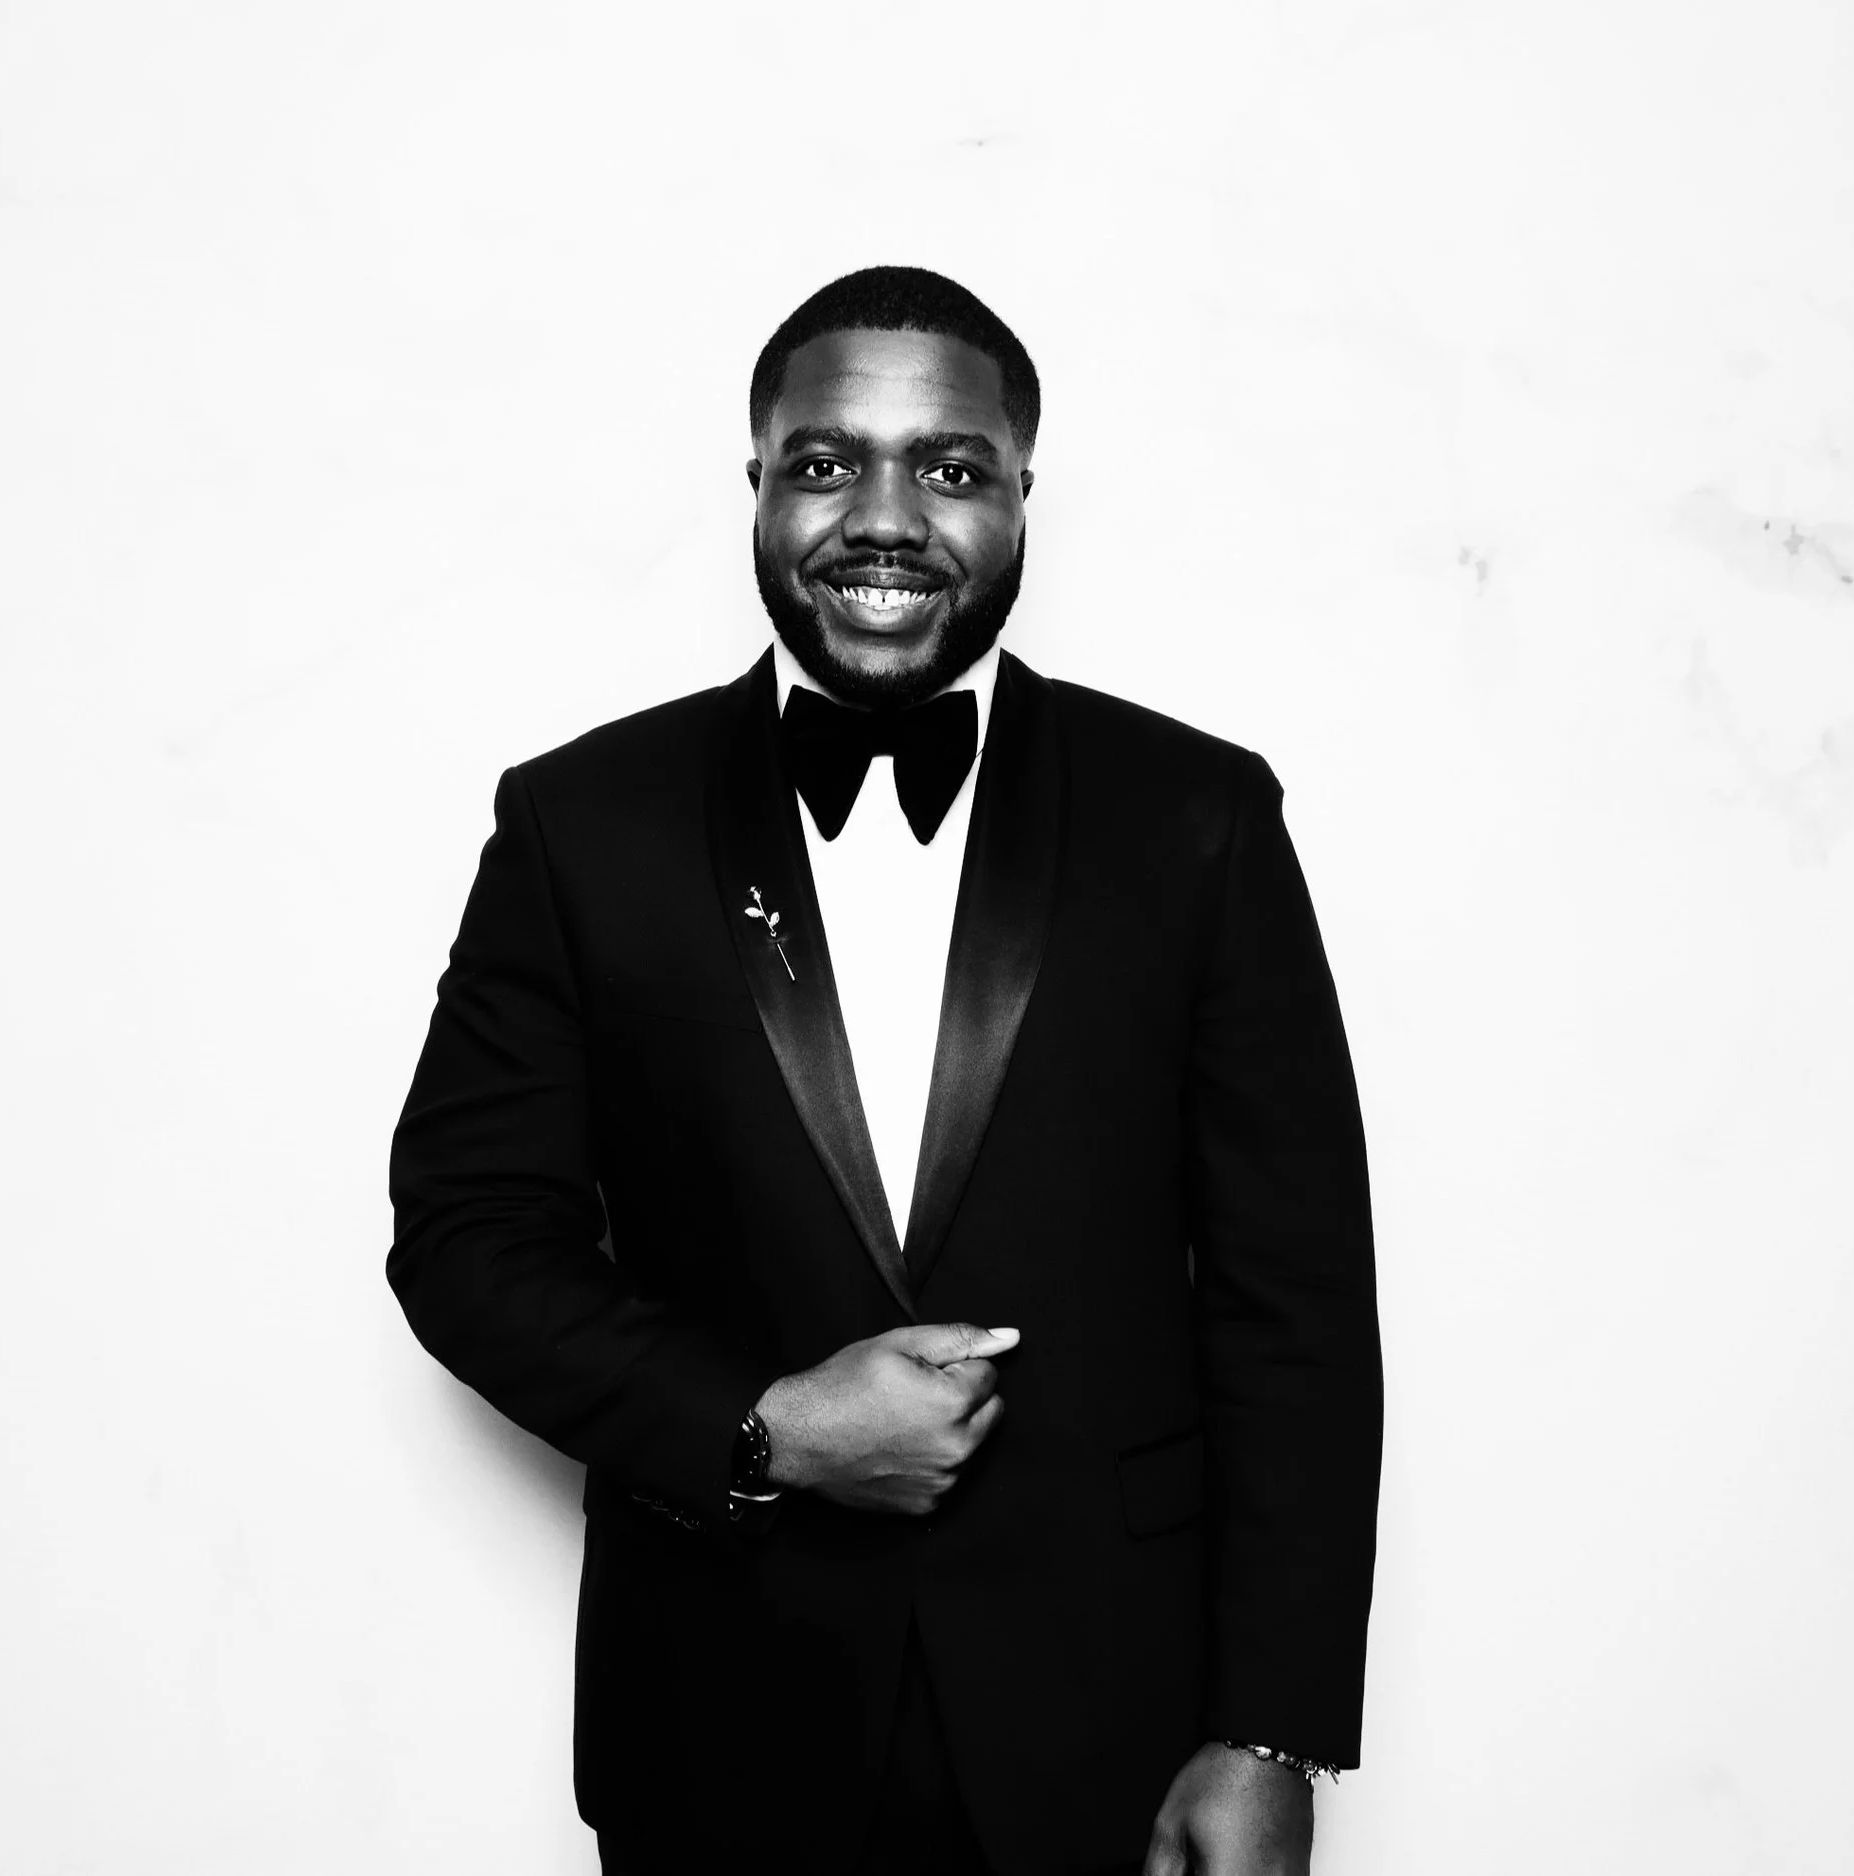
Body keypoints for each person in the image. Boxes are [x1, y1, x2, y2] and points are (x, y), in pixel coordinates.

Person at [387, 265, 1380, 1875]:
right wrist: (763, 1426)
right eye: (830, 459)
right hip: (717, 1716)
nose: (888, 515)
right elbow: (466, 1240)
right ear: (761, 482)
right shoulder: (585, 827)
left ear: (1021, 496)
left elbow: (1295, 1302)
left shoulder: (1197, 821)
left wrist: (1271, 1731)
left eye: (954, 466)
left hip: (1111, 1736)